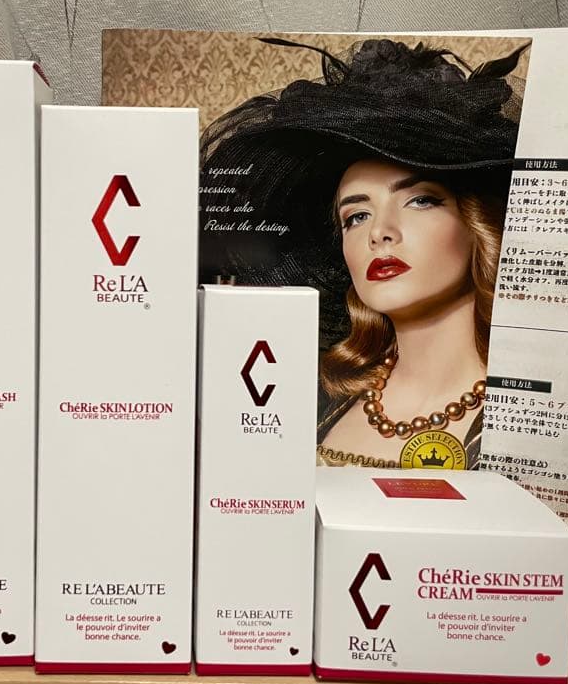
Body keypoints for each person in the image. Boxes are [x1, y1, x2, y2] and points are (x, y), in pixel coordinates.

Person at [199, 36, 528, 469]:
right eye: (355, 216)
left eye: (420, 200)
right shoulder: (308, 399)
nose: (380, 233)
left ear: (478, 224)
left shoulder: (528, 418)